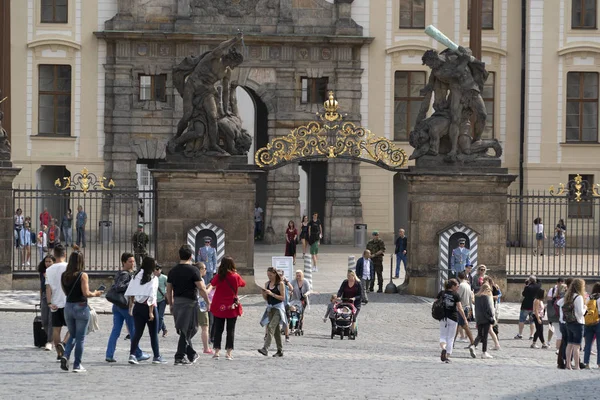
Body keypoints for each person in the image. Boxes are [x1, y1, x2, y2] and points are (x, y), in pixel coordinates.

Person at [59, 251, 103, 372]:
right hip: (81, 307)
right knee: (80, 338)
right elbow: (86, 293)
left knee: (72, 334)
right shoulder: (83, 275)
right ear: (81, 261)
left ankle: (66, 355)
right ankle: (77, 365)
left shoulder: (64, 275)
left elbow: (65, 292)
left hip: (68, 307)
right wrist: (96, 293)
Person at [167, 245, 211, 365]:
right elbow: (201, 288)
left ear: (179, 255)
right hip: (189, 303)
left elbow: (169, 289)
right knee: (191, 329)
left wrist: (171, 304)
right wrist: (208, 302)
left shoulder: (173, 270)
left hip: (177, 302)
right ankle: (180, 356)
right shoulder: (193, 270)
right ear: (191, 256)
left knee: (183, 330)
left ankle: (190, 354)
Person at [105, 252, 149, 363]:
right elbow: (120, 287)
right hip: (125, 306)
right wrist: (131, 282)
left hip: (117, 305)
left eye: (133, 261)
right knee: (133, 329)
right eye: (130, 261)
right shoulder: (125, 274)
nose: (132, 263)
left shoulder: (121, 273)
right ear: (124, 262)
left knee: (116, 330)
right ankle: (137, 353)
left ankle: (109, 354)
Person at [125, 256, 166, 365]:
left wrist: (130, 308)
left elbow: (131, 292)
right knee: (153, 334)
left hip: (137, 307)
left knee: (137, 332)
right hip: (148, 307)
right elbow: (151, 296)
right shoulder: (153, 278)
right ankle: (156, 356)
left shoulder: (136, 276)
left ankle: (132, 354)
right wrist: (151, 312)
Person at [211, 256, 245, 360]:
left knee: (218, 329)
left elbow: (212, 283)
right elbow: (243, 284)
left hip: (219, 306)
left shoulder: (219, 276)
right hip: (231, 306)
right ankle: (228, 353)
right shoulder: (235, 276)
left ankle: (216, 352)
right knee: (230, 330)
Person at [45, 245, 69, 362]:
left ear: (54, 255)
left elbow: (48, 288)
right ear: (65, 254)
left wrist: (49, 302)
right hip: (68, 302)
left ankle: (59, 353)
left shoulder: (49, 270)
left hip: (55, 302)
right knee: (73, 328)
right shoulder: (69, 267)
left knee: (56, 329)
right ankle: (64, 343)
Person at [436, 279, 470, 363]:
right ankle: (447, 355)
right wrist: (465, 319)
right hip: (453, 318)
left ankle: (443, 348)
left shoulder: (441, 293)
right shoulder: (455, 295)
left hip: (443, 317)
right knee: (450, 338)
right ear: (452, 286)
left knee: (443, 336)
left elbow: (436, 303)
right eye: (456, 285)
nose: (458, 286)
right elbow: (460, 308)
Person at [258, 266, 287, 358]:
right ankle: (280, 350)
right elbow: (266, 299)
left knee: (271, 327)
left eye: (270, 275)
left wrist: (272, 294)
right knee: (276, 331)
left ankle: (265, 348)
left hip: (279, 309)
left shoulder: (280, 284)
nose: (269, 277)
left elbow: (282, 298)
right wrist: (264, 293)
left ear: (275, 274)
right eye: (268, 275)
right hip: (270, 308)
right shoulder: (267, 284)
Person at [560, 278, 586, 370]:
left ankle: (568, 364)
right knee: (577, 345)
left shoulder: (568, 296)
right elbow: (580, 312)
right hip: (578, 323)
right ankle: (577, 365)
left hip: (568, 322)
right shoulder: (579, 297)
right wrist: (585, 308)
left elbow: (559, 303)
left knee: (569, 344)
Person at [455, 271, 476, 357]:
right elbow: (471, 297)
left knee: (464, 326)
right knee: (457, 326)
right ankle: (451, 343)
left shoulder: (461, 286)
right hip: (467, 307)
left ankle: (473, 343)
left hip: (462, 308)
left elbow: (457, 297)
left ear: (458, 277)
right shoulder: (468, 285)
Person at [194, 262, 213, 354]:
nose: (206, 270)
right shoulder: (200, 279)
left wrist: (207, 287)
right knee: (205, 327)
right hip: (201, 304)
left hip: (193, 303)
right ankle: (206, 348)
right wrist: (211, 287)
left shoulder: (193, 278)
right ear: (200, 270)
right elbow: (203, 292)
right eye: (204, 268)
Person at [38, 255, 56, 351]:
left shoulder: (55, 272)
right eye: (46, 261)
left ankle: (50, 341)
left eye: (49, 261)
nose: (47, 263)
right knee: (44, 320)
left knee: (51, 320)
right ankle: (52, 337)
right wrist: (41, 299)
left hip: (54, 295)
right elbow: (41, 287)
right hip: (45, 296)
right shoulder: (42, 273)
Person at [514, 275, 540, 340]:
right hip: (533, 306)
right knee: (532, 321)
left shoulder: (528, 287)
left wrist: (526, 285)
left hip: (526, 305)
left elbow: (523, 294)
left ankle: (520, 334)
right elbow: (539, 281)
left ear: (530, 280)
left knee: (522, 320)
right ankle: (531, 335)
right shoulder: (538, 286)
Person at [474, 283, 496, 359]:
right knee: (485, 335)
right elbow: (488, 309)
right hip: (486, 318)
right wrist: (492, 316)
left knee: (480, 334)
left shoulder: (476, 296)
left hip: (478, 317)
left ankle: (473, 346)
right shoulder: (486, 297)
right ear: (487, 289)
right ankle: (484, 352)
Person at [583, 283, 600, 369]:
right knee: (599, 344)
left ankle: (586, 363)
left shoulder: (589, 297)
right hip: (598, 322)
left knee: (588, 344)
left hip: (588, 322)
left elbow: (585, 309)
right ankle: (599, 364)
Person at [546, 277, 565, 348]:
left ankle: (559, 346)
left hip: (560, 312)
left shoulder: (565, 290)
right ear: (557, 283)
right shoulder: (553, 289)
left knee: (560, 331)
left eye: (562, 282)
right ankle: (549, 341)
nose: (560, 284)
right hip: (555, 310)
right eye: (559, 282)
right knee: (552, 327)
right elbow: (549, 299)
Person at [154, 264, 168, 338]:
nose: (156, 271)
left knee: (160, 316)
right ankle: (164, 329)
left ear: (160, 270)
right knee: (157, 316)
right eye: (155, 270)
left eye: (158, 270)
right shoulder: (152, 278)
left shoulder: (164, 278)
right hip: (155, 299)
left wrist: (167, 294)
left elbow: (168, 287)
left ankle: (157, 331)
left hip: (162, 299)